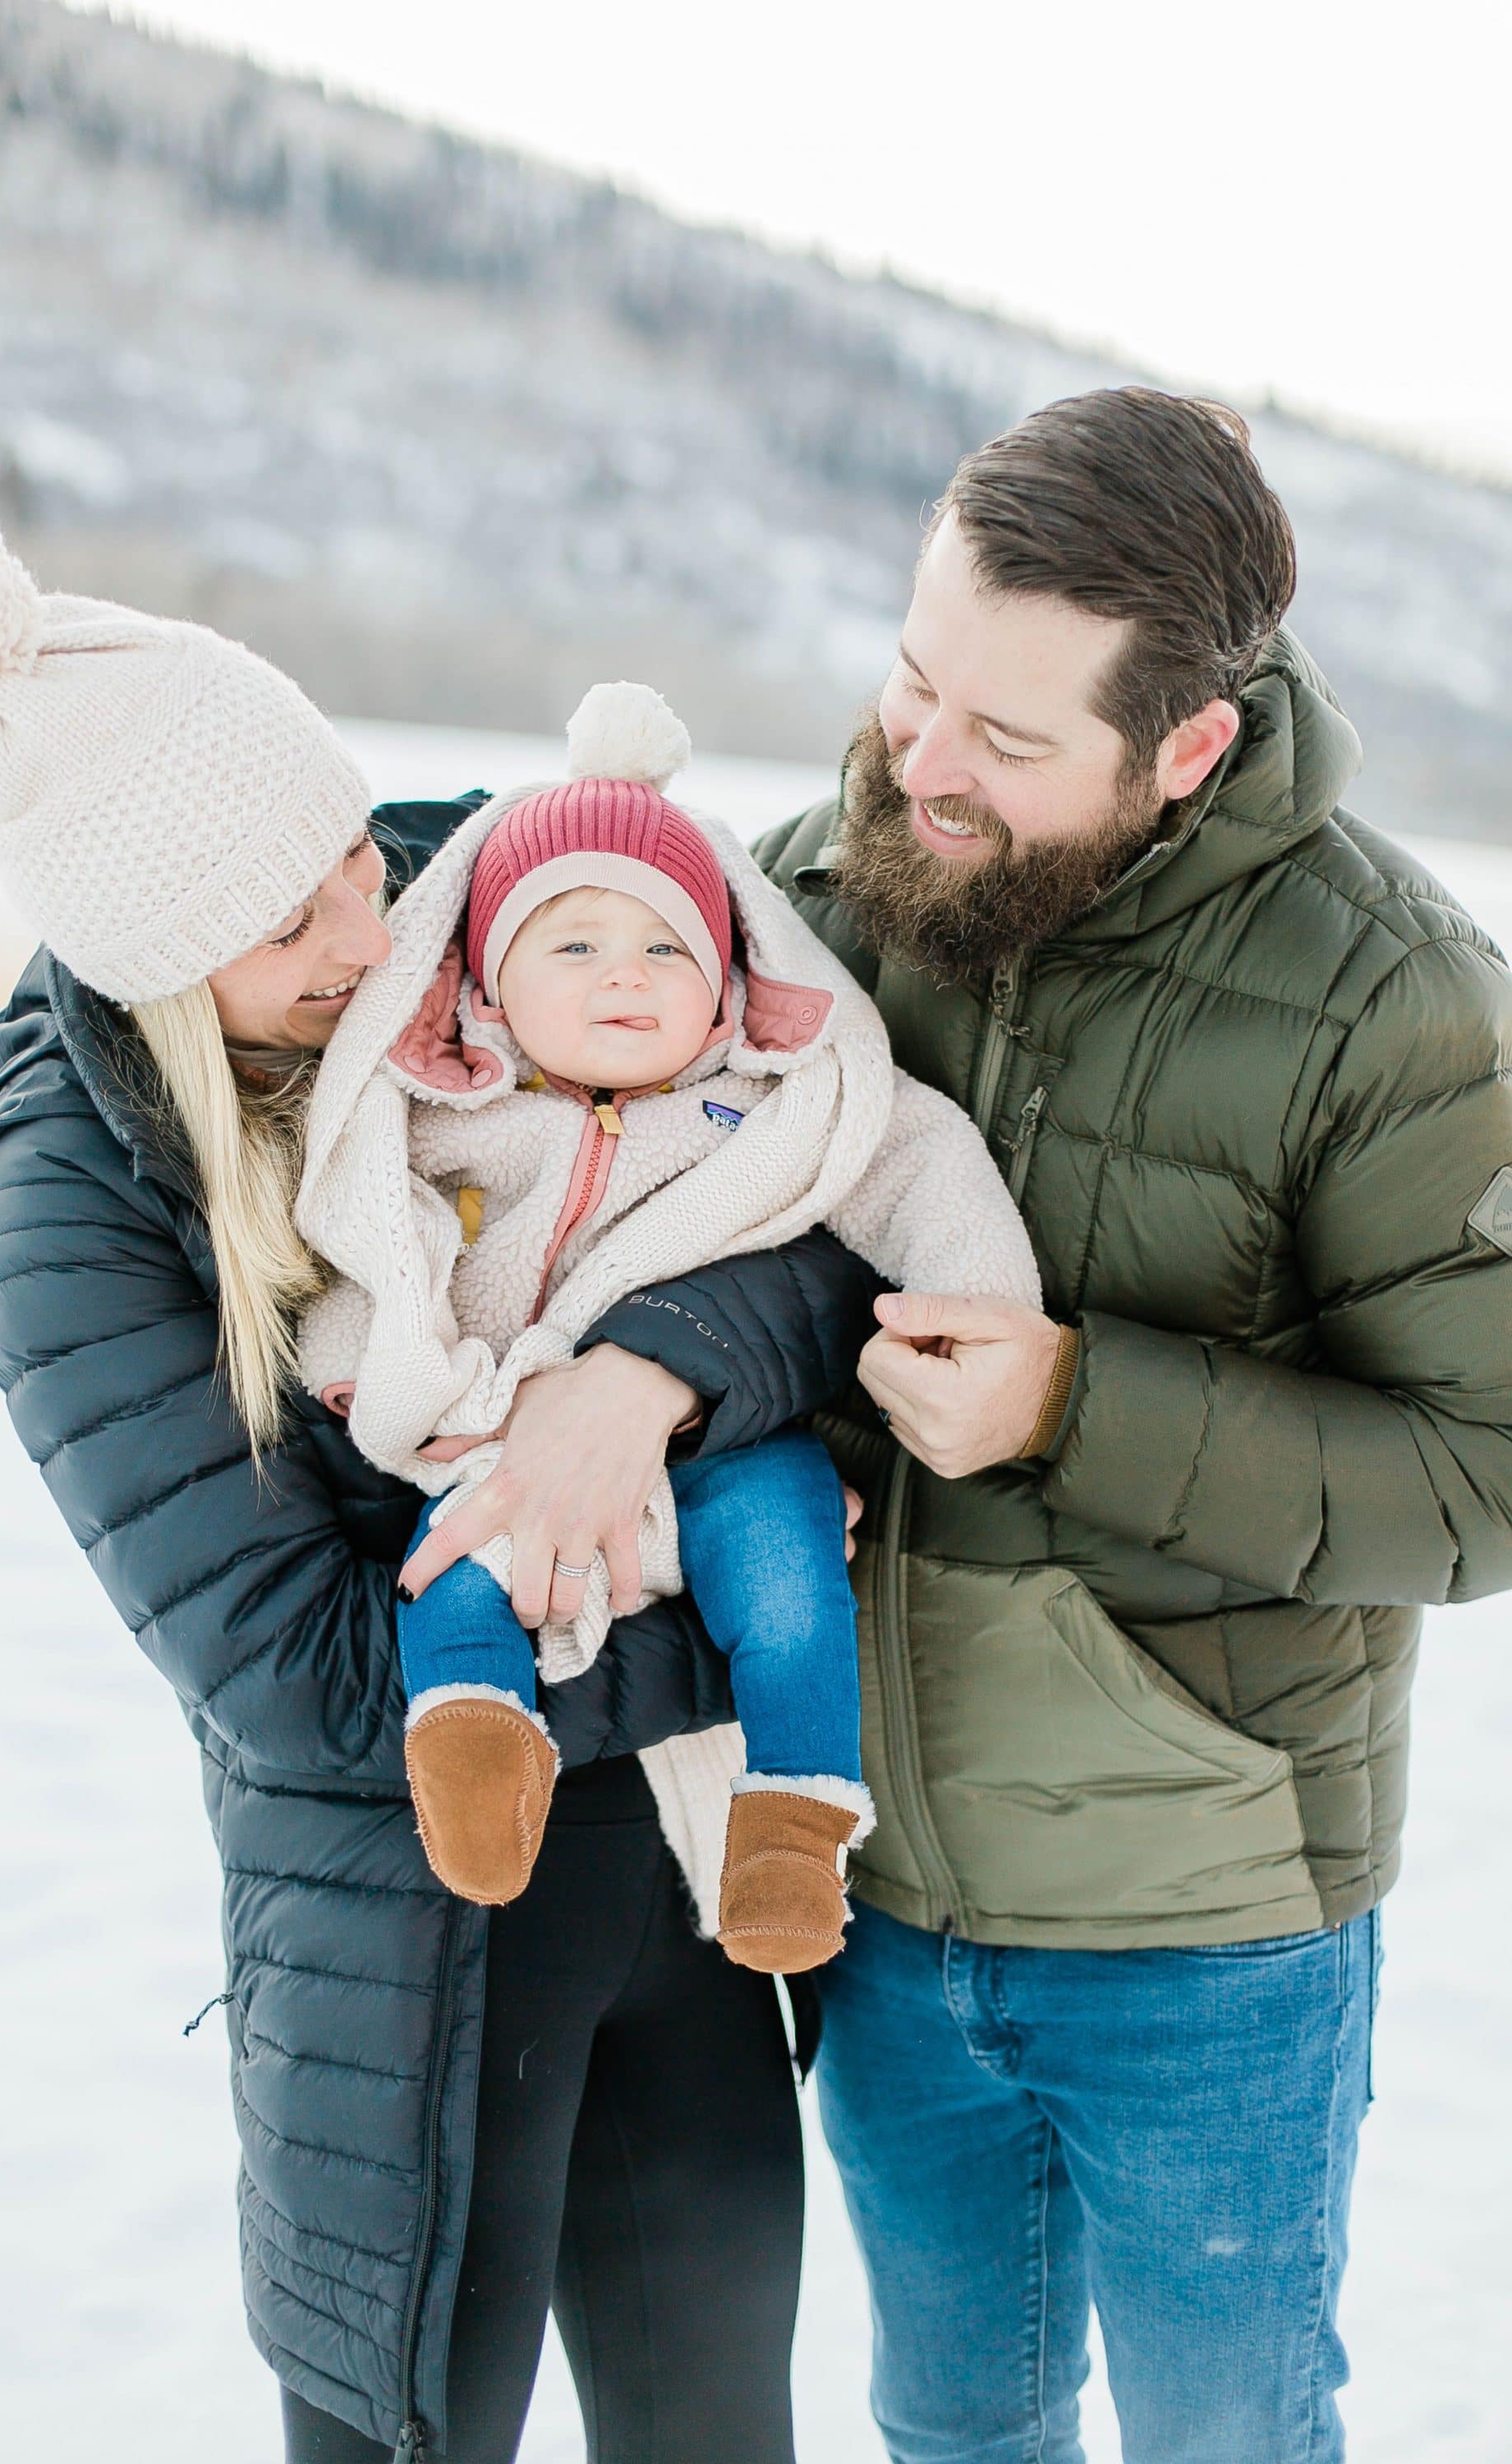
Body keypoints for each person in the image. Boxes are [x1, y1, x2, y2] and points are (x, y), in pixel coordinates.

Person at [0, 513, 880, 2463]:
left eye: (355, 849)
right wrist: (726, 1651)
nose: (375, 929)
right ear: (166, 967)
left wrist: (643, 1374)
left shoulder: (490, 902)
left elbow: (811, 1207)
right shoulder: (70, 1218)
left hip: (678, 1917)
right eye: (297, 923)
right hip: (407, 1973)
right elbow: (315, 1685)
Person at [733, 387, 1512, 2462]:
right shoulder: (806, 891)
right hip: (880, 1879)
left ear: (1187, 750)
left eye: (1009, 739)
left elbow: (1483, 1473)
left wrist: (1076, 1402)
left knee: (1223, 2440)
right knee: (954, 2427)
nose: (926, 763)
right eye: (915, 682)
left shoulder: (1394, 999)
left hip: (1213, 1921)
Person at [291, 680, 1041, 1970]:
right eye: (572, 945)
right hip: (509, 1443)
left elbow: (918, 1160)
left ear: (730, 980)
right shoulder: (447, 1113)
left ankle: (793, 1831)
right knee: (447, 1573)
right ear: (485, 986)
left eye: (665, 949)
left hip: (726, 1449)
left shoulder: (768, 1102)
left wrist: (981, 1304)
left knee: (795, 1577)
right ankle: (479, 1749)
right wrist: (377, 1374)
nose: (623, 975)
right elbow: (376, 1251)